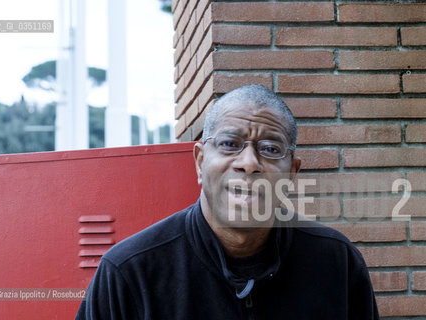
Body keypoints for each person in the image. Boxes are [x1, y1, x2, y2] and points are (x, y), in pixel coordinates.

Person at [76, 84, 379, 319]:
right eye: (230, 144)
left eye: (271, 148)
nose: (249, 163)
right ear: (199, 161)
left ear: (292, 173)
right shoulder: (130, 272)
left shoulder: (337, 263)